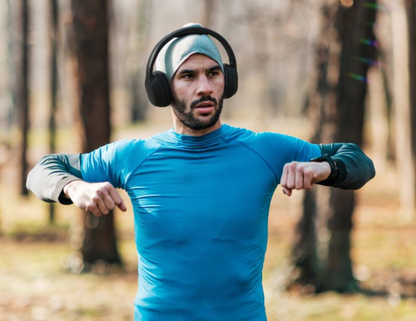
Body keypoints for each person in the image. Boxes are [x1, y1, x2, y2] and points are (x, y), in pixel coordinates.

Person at [27, 23, 375, 321]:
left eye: (213, 73)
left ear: (228, 80)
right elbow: (42, 171)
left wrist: (322, 167)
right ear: (163, 88)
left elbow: (360, 162)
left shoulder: (265, 149)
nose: (204, 87)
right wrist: (76, 188)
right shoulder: (132, 156)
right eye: (188, 76)